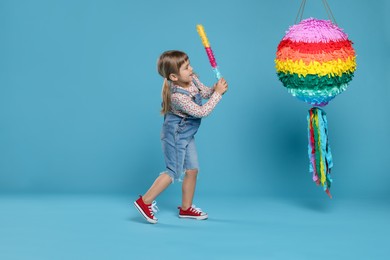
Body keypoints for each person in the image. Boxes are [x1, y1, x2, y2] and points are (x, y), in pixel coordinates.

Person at [134, 50, 228, 224]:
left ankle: (186, 208)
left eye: (189, 64)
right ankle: (144, 201)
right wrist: (218, 95)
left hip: (187, 134)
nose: (191, 69)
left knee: (192, 170)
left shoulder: (192, 79)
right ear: (174, 77)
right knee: (173, 172)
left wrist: (214, 89)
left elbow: (204, 93)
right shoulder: (177, 97)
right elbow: (201, 112)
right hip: (175, 135)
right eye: (186, 68)